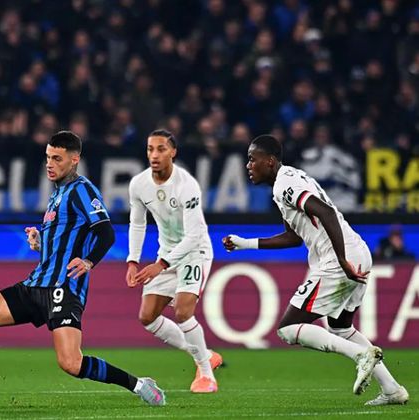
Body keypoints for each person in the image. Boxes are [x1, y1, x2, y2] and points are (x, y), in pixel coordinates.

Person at [0, 131, 166, 409]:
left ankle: (139, 384)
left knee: (71, 363)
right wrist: (40, 242)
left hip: (63, 289)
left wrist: (89, 261)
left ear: (74, 160)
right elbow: (62, 241)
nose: (49, 164)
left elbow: (106, 232)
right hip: (35, 285)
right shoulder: (57, 195)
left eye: (57, 158)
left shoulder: (82, 190)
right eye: (47, 157)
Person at [223, 134, 408, 406]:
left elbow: (326, 212)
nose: (248, 165)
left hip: (339, 258)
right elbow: (293, 237)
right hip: (357, 252)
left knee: (288, 328)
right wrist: (245, 243)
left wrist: (341, 260)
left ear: (270, 161)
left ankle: (360, 356)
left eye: (252, 159)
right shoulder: (288, 181)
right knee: (340, 327)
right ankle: (392, 389)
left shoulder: (285, 184)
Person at [126, 129, 222, 393]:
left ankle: (206, 375)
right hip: (167, 254)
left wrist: (161, 265)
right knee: (147, 317)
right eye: (150, 149)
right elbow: (137, 223)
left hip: (194, 252)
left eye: (161, 149)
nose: (154, 155)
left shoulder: (187, 186)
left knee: (182, 311)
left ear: (173, 152)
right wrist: (132, 261)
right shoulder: (139, 184)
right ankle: (206, 355)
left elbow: (193, 236)